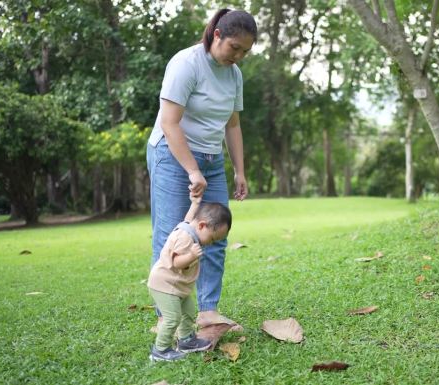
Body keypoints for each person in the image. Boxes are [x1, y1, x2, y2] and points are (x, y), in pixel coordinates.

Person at [146, 8, 257, 332]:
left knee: (216, 232)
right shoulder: (186, 63)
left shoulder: (234, 75)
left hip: (210, 157)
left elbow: (232, 125)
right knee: (171, 234)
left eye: (245, 52)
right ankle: (166, 317)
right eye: (234, 47)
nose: (237, 56)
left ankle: (207, 312)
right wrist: (192, 170)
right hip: (171, 153)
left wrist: (239, 170)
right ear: (217, 35)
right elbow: (169, 122)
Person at [147, 193, 232, 361]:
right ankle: (160, 350)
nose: (211, 243)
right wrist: (191, 255)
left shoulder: (190, 228)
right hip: (164, 285)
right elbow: (176, 262)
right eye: (213, 238)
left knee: (188, 311)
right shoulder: (185, 238)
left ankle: (186, 341)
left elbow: (188, 218)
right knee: (172, 318)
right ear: (202, 226)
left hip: (176, 286)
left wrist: (194, 203)